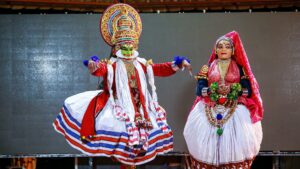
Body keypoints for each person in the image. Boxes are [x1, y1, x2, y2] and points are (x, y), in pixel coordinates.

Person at [53, 3, 191, 166]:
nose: (127, 48)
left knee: (141, 140)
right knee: (122, 141)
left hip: (140, 107)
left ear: (135, 45)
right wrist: (94, 66)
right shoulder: (112, 64)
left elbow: (159, 69)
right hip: (118, 105)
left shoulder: (141, 63)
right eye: (124, 45)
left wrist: (177, 64)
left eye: (130, 45)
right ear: (117, 46)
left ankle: (135, 156)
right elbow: (101, 70)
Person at [183, 31, 263, 168]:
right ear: (215, 50)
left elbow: (248, 90)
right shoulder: (207, 67)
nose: (223, 49)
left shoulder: (240, 68)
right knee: (203, 142)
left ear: (233, 50)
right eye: (220, 46)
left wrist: (233, 90)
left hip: (235, 108)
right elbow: (199, 90)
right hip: (210, 107)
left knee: (237, 142)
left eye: (227, 46)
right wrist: (212, 90)